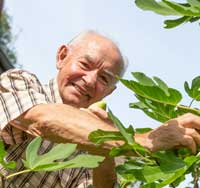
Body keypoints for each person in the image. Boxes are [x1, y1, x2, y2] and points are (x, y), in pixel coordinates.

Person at [0, 30, 200, 188]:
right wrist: (145, 141)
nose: (90, 80)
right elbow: (43, 120)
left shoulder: (106, 142)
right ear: (62, 56)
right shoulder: (17, 82)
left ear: (109, 93)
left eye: (104, 78)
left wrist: (104, 149)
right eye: (85, 64)